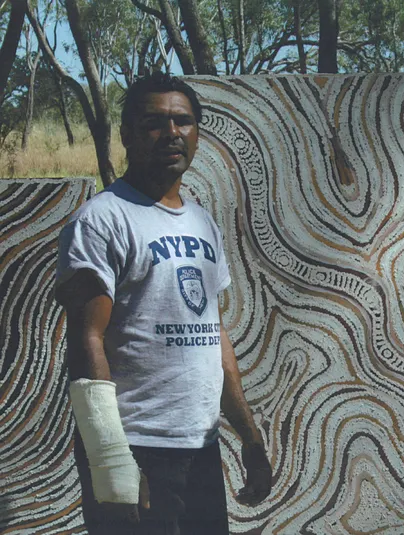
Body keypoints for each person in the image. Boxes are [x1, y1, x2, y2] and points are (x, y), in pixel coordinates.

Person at [55, 72, 272, 535]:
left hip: (201, 447)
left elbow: (213, 335)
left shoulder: (201, 223)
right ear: (128, 136)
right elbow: (85, 335)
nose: (171, 133)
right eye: (154, 123)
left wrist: (250, 438)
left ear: (196, 133)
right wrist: (110, 459)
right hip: (137, 449)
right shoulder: (101, 221)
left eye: (183, 121)